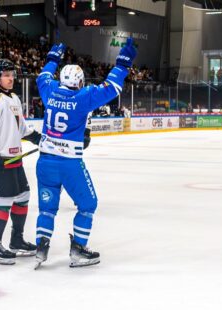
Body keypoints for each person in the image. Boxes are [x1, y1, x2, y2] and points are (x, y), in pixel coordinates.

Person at [33, 38, 137, 268]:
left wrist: (52, 59)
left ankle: (41, 246)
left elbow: (42, 76)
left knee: (47, 208)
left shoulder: (48, 91)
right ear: (79, 81)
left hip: (45, 162)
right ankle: (78, 249)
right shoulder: (83, 97)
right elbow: (112, 87)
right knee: (88, 204)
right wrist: (123, 63)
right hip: (69, 163)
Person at [0, 59, 39, 264]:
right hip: (1, 158)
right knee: (5, 198)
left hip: (15, 156)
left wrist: (39, 138)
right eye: (6, 75)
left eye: (12, 74)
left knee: (23, 195)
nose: (11, 78)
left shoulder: (13, 98)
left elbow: (21, 128)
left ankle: (16, 240)